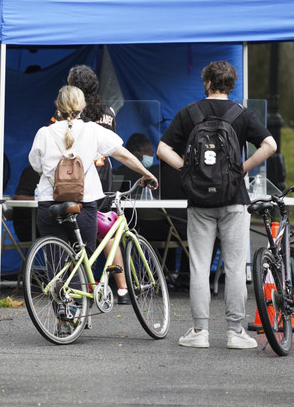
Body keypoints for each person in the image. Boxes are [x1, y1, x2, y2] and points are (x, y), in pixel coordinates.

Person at [157, 61, 275, 349]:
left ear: (206, 82)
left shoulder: (190, 113)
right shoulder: (241, 115)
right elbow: (269, 145)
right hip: (234, 199)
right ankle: (235, 332)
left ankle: (199, 332)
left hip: (199, 200)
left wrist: (186, 169)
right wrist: (242, 168)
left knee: (199, 265)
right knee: (235, 266)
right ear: (231, 84)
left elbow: (162, 149)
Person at [29, 85, 157, 306]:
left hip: (49, 203)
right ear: (83, 107)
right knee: (83, 257)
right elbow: (124, 155)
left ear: (57, 107)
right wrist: (146, 173)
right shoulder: (93, 131)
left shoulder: (44, 133)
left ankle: (63, 316)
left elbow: (36, 166)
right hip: (84, 203)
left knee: (56, 260)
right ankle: (80, 300)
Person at [66, 65, 116, 192]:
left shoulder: (69, 114)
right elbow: (113, 144)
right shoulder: (109, 111)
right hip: (104, 173)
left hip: (78, 174)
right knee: (102, 212)